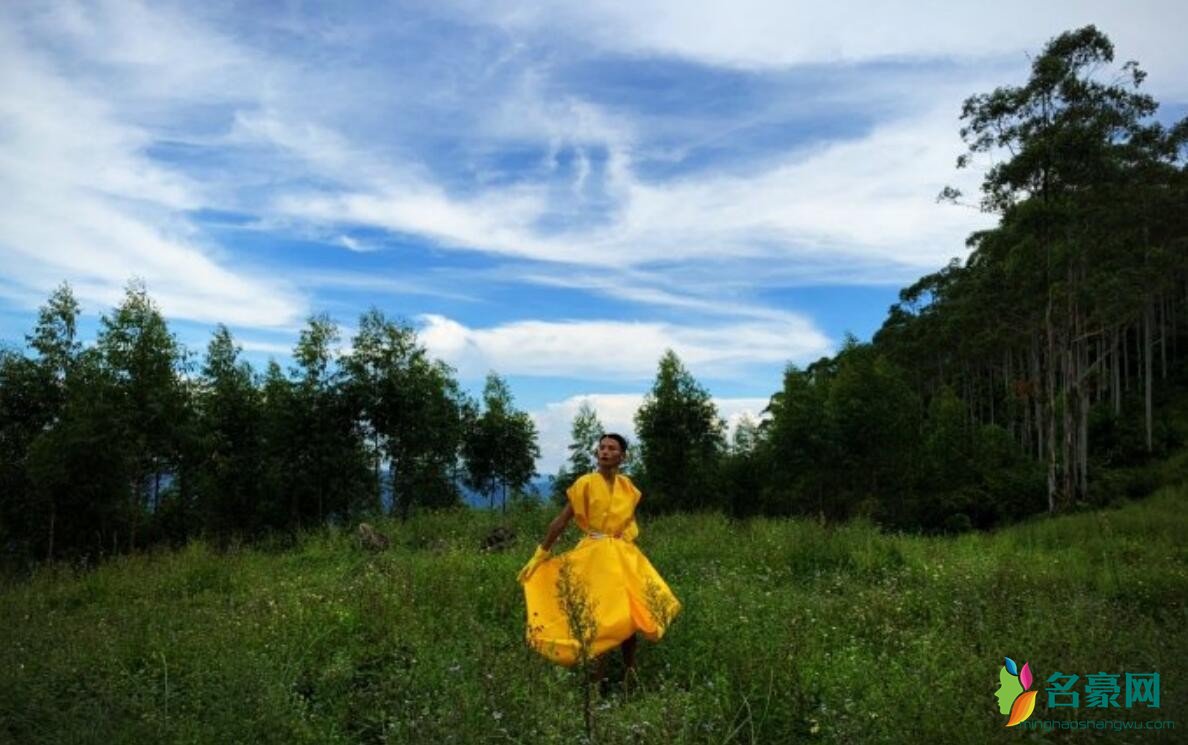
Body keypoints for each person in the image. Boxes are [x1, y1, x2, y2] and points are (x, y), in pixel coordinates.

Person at [517, 433, 681, 690]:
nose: (604, 452)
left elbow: (628, 524)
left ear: (622, 456)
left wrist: (627, 548)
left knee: (631, 612)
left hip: (622, 554)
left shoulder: (628, 488)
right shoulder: (586, 483)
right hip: (595, 555)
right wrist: (541, 553)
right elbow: (562, 520)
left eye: (611, 448)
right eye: (601, 447)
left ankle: (630, 674)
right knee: (602, 614)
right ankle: (596, 681)